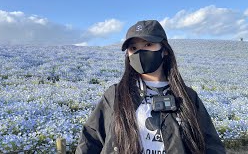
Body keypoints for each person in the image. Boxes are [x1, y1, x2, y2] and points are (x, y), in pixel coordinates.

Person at [75, 20, 226, 154]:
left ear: (165, 50)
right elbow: (90, 139)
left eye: (148, 44)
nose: (140, 52)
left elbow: (211, 144)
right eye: (133, 48)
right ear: (127, 55)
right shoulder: (116, 94)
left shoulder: (187, 96)